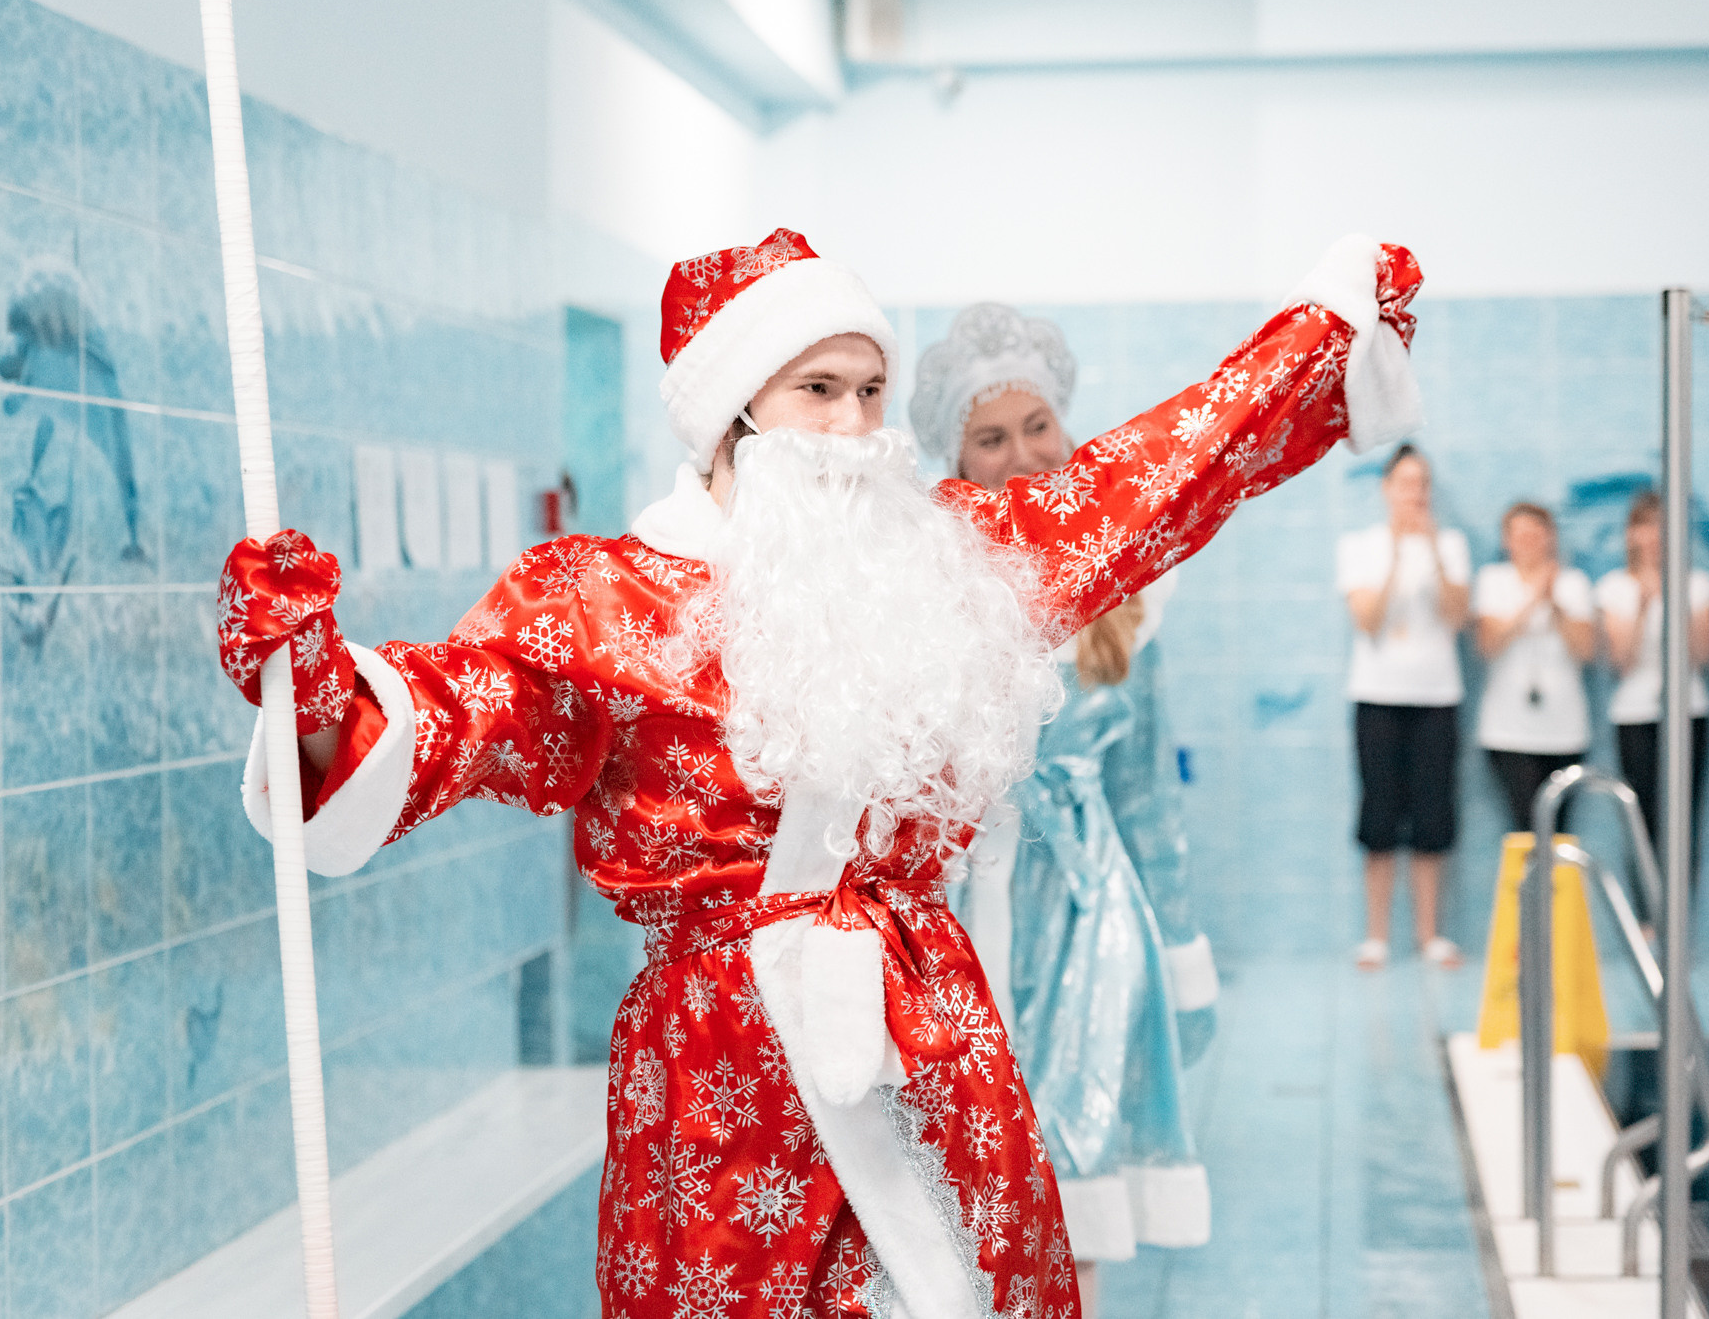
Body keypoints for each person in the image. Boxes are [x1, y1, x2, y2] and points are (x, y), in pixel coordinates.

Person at [216, 228, 1426, 1319]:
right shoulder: (601, 599)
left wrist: (1326, 338)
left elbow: (1167, 471)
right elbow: (437, 722)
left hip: (929, 1044)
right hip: (720, 1066)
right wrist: (309, 678)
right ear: (731, 413)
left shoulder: (950, 559)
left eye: (870, 392)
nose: (855, 429)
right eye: (817, 393)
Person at [912, 305, 1217, 1311]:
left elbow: (1145, 802)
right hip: (957, 909)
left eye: (1034, 427)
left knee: (1069, 1168)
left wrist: (1178, 954)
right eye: (988, 438)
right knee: (952, 1176)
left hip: (1087, 916)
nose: (1018, 457)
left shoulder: (1130, 593)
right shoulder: (921, 593)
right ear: (953, 453)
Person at [1337, 444, 1472, 971]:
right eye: (1406, 483)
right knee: (1379, 814)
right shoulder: (1361, 546)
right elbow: (1366, 619)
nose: (1416, 494)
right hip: (1377, 696)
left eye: (1423, 484)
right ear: (1386, 489)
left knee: (1433, 816)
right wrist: (1396, 554)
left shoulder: (1452, 546)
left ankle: (1429, 934)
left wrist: (1433, 551)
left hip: (1438, 695)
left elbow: (1457, 617)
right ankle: (1375, 936)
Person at [1597, 490, 1709, 897]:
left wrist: (1672, 592)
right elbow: (1621, 660)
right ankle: (1648, 913)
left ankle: (1681, 914)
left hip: (1689, 710)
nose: (1653, 535)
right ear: (1631, 534)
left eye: (1662, 525)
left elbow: (1704, 654)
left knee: (1684, 815)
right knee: (1641, 813)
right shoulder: (1615, 587)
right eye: (1645, 525)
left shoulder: (1696, 584)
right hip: (1634, 713)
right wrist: (1645, 600)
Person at [1472, 502, 1597, 832]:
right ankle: (1530, 886)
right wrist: (1533, 599)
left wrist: (1553, 602)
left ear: (1551, 539)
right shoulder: (1493, 580)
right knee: (1526, 825)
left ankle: (1555, 885)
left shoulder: (1573, 583)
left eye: (1537, 535)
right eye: (1520, 535)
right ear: (1506, 541)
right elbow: (1487, 644)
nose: (1529, 543)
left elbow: (1586, 650)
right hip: (1508, 730)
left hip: (1565, 729)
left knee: (1559, 830)